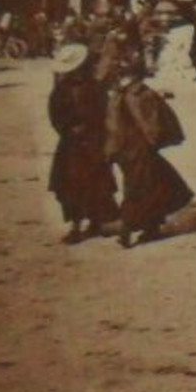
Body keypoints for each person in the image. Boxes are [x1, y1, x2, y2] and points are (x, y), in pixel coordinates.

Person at [103, 59, 193, 248]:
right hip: (140, 148)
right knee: (145, 186)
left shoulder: (117, 95)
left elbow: (112, 125)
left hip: (122, 148)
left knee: (148, 184)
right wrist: (154, 140)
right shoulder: (142, 94)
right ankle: (128, 228)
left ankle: (150, 228)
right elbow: (148, 121)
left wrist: (112, 149)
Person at [46, 44, 119, 243]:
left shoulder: (93, 86)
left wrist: (93, 128)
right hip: (72, 144)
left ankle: (96, 222)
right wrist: (69, 129)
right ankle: (76, 225)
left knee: (96, 182)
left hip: (92, 141)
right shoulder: (62, 90)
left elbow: (104, 111)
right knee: (71, 185)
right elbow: (55, 115)